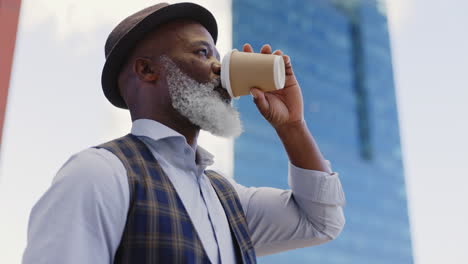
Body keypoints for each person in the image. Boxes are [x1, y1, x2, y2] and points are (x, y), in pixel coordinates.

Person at [22, 2, 345, 264]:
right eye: (203, 53)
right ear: (147, 70)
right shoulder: (99, 173)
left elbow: (320, 221)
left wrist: (292, 127)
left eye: (218, 56)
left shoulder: (227, 198)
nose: (220, 68)